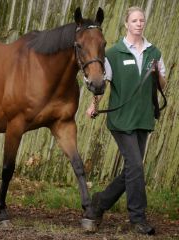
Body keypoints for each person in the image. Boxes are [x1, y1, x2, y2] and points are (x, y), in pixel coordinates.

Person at [86, 6, 166, 235]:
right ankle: (138, 218)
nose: (139, 24)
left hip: (143, 118)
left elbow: (162, 85)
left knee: (132, 169)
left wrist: (157, 75)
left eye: (141, 20)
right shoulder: (113, 53)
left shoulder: (154, 52)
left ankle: (99, 203)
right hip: (121, 120)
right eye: (134, 20)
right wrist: (94, 105)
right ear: (126, 24)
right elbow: (102, 83)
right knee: (136, 166)